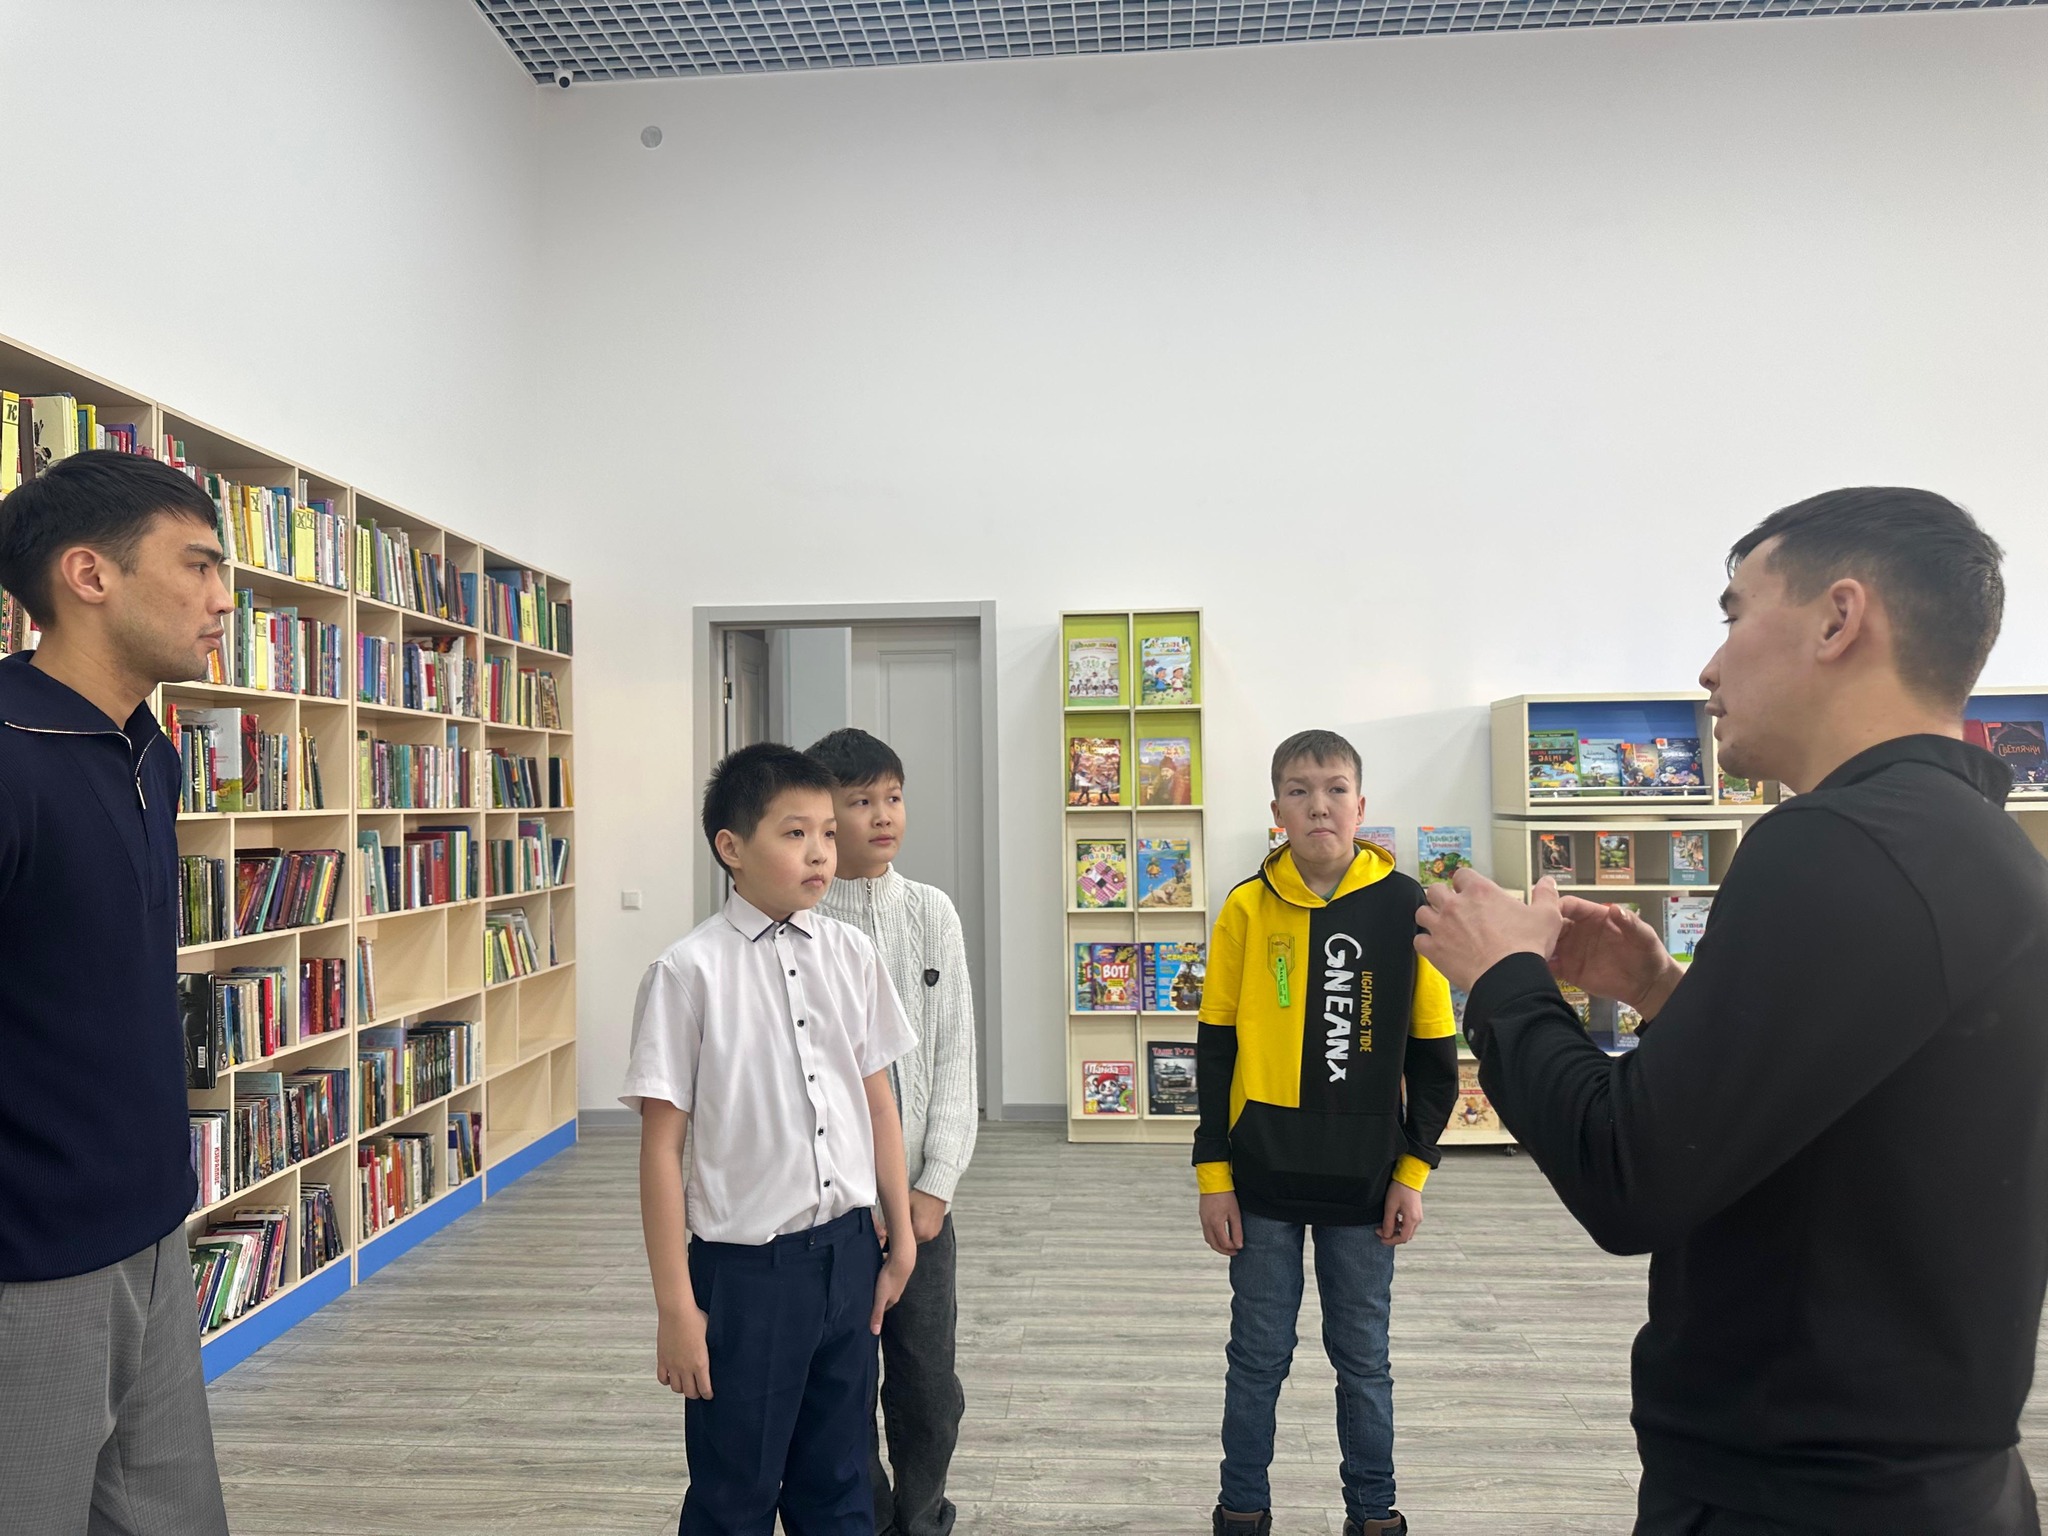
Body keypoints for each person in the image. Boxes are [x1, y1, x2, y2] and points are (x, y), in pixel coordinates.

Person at [1414, 488, 2048, 1536]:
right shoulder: (1972, 847)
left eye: (1733, 614)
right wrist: (1665, 995)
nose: (1709, 669)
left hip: (1795, 1499)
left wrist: (1503, 978)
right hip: (1927, 1480)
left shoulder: (1834, 844)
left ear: (1838, 619)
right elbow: (1852, 1124)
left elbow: (1628, 1175)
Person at [0, 450, 235, 1535]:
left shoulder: (151, 751)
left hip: (151, 1226)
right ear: (89, 575)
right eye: (198, 565)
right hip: (29, 1261)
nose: (222, 599)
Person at [624, 742, 919, 1535]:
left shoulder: (851, 954)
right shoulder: (687, 972)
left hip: (849, 1257)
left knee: (842, 1485)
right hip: (747, 1278)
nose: (821, 851)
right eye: (795, 833)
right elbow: (661, 1150)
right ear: (732, 847)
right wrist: (675, 1308)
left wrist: (899, 1238)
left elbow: (879, 1106)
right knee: (735, 1495)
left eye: (827, 833)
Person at [1195, 729, 1461, 1536]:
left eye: (1336, 788)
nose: (1319, 805)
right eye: (1300, 790)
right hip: (1262, 1180)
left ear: (1361, 804)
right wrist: (1214, 1177)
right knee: (1256, 1358)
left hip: (1367, 1185)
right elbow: (1214, 1052)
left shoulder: (1408, 907)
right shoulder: (1247, 907)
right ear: (1276, 809)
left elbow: (1435, 1062)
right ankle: (1242, 1511)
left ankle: (1373, 1515)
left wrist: (1413, 1171)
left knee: (1364, 1361)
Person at [808, 727, 978, 1536]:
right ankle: (871, 1520)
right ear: (823, 816)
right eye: (861, 801)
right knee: (842, 1387)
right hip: (836, 1211)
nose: (883, 816)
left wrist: (935, 1183)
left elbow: (954, 1055)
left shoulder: (930, 912)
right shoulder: (802, 921)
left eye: (894, 797)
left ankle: (922, 1517)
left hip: (921, 1206)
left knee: (928, 1387)